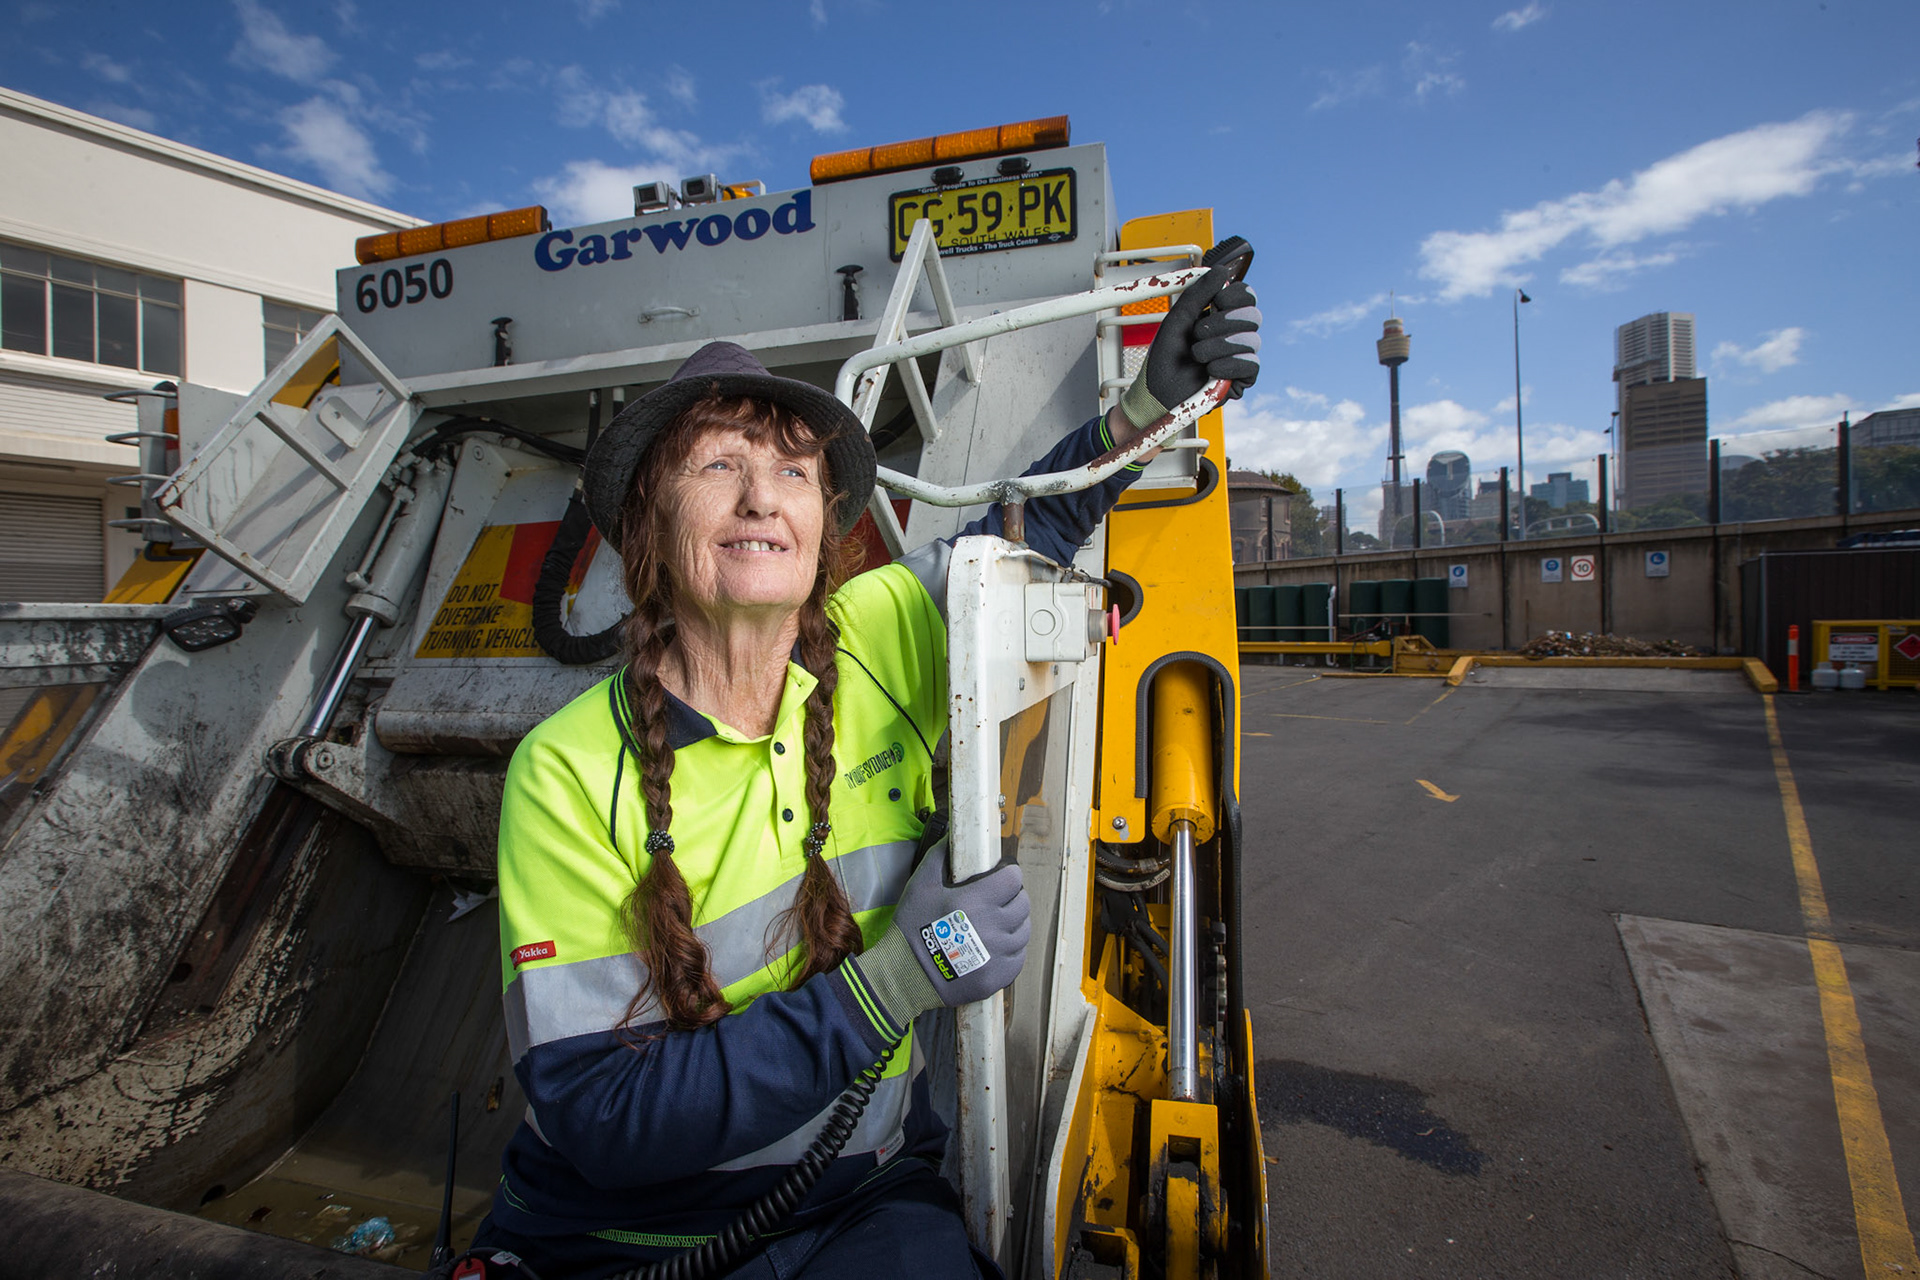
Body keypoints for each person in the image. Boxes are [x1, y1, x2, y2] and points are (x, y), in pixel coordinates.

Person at [467, 262, 1260, 1280]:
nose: (762, 494)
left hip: (868, 1199)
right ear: (644, 526)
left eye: (793, 471)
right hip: (635, 1236)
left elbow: (1035, 526)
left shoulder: (876, 635)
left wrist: (1150, 407)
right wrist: (892, 982)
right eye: (716, 467)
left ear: (822, 524)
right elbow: (601, 1113)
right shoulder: (566, 771)